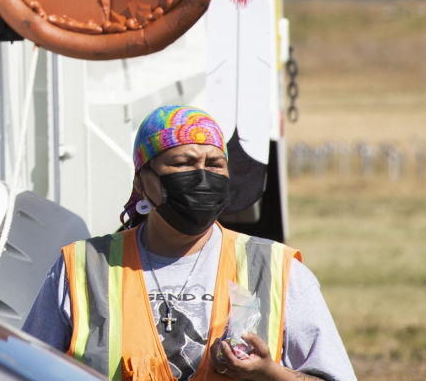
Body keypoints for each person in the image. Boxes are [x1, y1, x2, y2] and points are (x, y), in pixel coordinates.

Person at [22, 106, 354, 381]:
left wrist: (269, 372)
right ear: (143, 181)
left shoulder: (277, 270)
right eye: (183, 164)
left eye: (214, 165)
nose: (202, 176)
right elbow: (19, 369)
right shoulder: (82, 267)